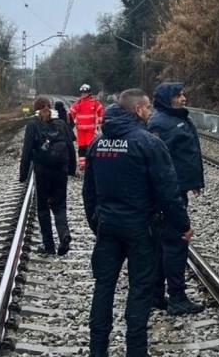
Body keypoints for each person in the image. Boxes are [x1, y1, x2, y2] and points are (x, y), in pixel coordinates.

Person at [83, 89, 193, 357]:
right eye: (147, 109)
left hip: (108, 227)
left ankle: (97, 350)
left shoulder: (98, 144)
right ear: (138, 111)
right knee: (140, 289)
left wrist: (97, 224)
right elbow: (169, 192)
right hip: (141, 229)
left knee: (104, 286)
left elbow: (89, 192)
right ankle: (136, 350)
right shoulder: (149, 144)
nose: (150, 113)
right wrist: (182, 225)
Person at [147, 82, 205, 315]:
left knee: (165, 244)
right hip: (168, 194)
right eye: (178, 95)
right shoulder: (161, 123)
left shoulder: (175, 119)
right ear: (166, 99)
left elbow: (185, 156)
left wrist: (194, 182)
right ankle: (177, 297)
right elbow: (160, 164)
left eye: (183, 93)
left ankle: (157, 295)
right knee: (175, 243)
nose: (184, 98)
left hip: (175, 190)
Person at [20, 97, 77, 255]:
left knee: (43, 209)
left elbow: (26, 151)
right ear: (50, 108)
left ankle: (49, 246)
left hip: (42, 171)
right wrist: (71, 168)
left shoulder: (33, 125)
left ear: (36, 109)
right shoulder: (61, 123)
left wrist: (23, 174)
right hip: (60, 170)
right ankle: (64, 234)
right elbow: (71, 147)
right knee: (60, 206)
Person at [69, 84, 104, 167]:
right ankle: (82, 164)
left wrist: (100, 121)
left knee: (89, 146)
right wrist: (74, 120)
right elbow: (71, 112)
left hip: (90, 129)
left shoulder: (95, 102)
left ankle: (89, 162)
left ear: (89, 93)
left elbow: (101, 111)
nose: (84, 94)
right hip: (80, 129)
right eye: (82, 92)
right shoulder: (78, 103)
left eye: (85, 92)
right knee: (81, 146)